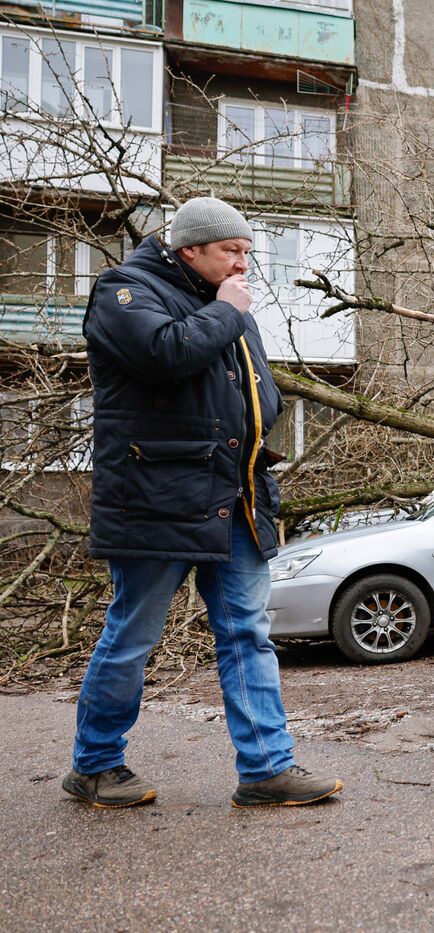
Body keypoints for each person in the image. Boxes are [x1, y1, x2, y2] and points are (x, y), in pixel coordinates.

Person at [64, 197, 343, 809]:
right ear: (190, 249)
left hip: (234, 494)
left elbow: (249, 388)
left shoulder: (224, 303)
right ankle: (95, 764)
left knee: (248, 633)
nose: (244, 262)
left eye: (247, 251)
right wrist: (226, 313)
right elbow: (165, 357)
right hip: (155, 498)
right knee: (132, 635)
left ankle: (267, 769)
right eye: (231, 251)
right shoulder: (124, 292)